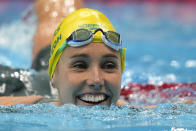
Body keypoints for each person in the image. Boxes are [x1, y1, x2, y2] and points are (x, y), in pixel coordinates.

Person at [0, 8, 128, 106]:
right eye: (80, 66)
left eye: (109, 66)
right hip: (26, 83)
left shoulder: (132, 113)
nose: (96, 80)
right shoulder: (25, 105)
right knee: (56, 12)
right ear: (54, 75)